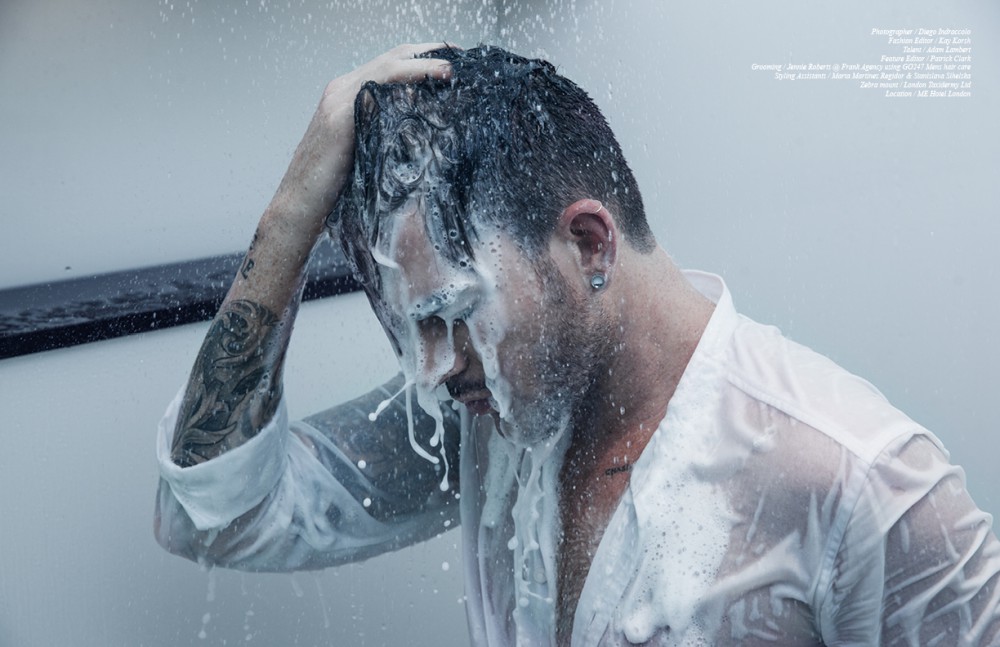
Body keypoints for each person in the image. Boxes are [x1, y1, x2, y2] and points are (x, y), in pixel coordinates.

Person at [155, 43, 1000, 646]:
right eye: (416, 331)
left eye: (453, 313)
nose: (432, 368)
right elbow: (217, 515)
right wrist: (292, 212)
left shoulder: (865, 484)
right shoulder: (491, 420)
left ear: (590, 244)